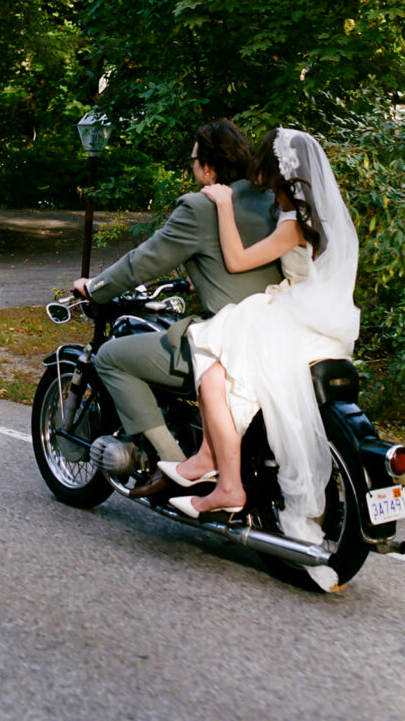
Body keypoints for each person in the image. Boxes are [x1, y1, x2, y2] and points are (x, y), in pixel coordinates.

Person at [160, 127, 360, 592]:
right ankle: (209, 460)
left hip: (293, 321)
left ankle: (222, 478)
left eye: (265, 167)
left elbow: (235, 261)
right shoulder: (314, 219)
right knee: (228, 358)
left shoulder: (292, 225)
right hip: (319, 323)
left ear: (280, 171)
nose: (259, 175)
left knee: (212, 354)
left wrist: (225, 205)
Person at [72, 120, 281, 494]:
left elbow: (143, 261)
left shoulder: (201, 206)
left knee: (110, 356)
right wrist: (197, 273)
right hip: (275, 338)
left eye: (194, 160)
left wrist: (95, 288)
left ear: (210, 167)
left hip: (228, 345)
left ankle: (173, 465)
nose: (192, 167)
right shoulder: (269, 199)